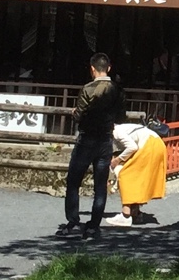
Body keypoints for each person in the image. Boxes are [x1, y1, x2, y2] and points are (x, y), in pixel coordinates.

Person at [59, 54, 126, 235]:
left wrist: (75, 112)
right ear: (109, 68)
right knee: (100, 185)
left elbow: (78, 115)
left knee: (74, 181)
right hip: (105, 140)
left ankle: (73, 221)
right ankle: (94, 225)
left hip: (87, 139)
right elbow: (121, 117)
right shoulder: (117, 89)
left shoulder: (88, 88)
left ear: (92, 68)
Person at [110, 115, 168, 226]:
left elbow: (132, 147)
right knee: (137, 178)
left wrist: (117, 160)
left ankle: (125, 215)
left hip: (149, 146)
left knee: (126, 174)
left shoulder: (116, 131)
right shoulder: (123, 128)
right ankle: (135, 213)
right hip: (156, 144)